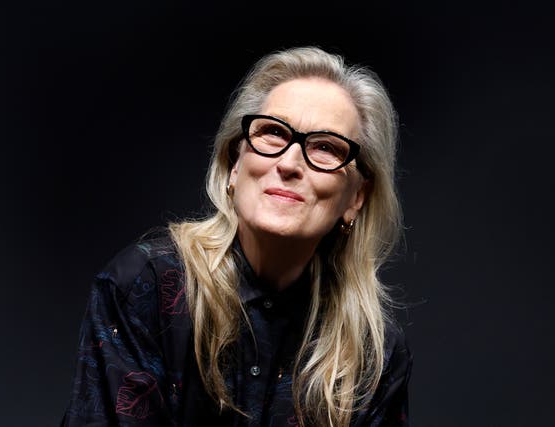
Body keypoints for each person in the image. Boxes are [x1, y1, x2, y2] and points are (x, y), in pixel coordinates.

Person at [61, 46, 412, 427]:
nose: (289, 164)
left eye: (326, 147)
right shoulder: (144, 288)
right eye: (273, 132)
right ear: (234, 163)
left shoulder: (376, 354)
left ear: (356, 197)